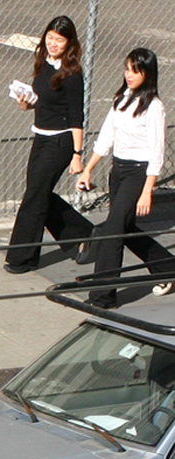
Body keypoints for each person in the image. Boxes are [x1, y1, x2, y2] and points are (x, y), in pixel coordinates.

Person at [78, 47, 175, 308]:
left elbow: (157, 151)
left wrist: (147, 190)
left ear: (148, 74)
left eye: (136, 70)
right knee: (123, 226)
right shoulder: (121, 99)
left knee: (113, 231)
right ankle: (167, 266)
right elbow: (107, 136)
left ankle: (102, 295)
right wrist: (89, 168)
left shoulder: (154, 107)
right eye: (127, 68)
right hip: (118, 170)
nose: (129, 75)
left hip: (139, 173)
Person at [4, 15, 94, 274]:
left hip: (61, 141)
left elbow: (77, 117)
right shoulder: (43, 64)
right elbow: (37, 102)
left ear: (69, 44)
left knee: (34, 197)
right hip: (41, 137)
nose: (53, 44)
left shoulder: (73, 75)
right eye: (50, 38)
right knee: (38, 192)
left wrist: (78, 154)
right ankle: (83, 234)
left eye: (60, 40)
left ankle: (21, 258)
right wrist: (24, 102)